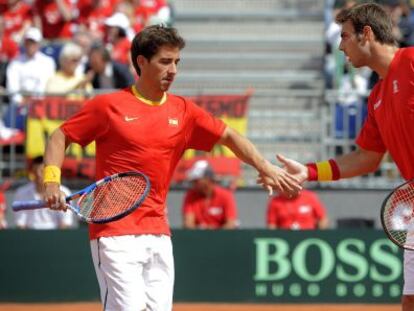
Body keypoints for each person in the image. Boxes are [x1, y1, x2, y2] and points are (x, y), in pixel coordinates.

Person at [42, 25, 300, 311]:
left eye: (177, 62)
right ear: (141, 62)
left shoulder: (184, 111)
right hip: (114, 231)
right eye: (165, 61)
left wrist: (265, 167)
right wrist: (51, 182)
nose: (173, 69)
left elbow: (229, 136)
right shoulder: (108, 106)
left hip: (158, 232)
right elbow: (59, 136)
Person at [259, 3, 414, 310]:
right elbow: (367, 158)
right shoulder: (377, 97)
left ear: (365, 34)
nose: (340, 45)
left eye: (344, 36)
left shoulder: (411, 61)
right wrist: (308, 171)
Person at [13, 156, 74, 230]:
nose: (38, 175)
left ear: (49, 174)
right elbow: (21, 225)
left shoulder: (65, 192)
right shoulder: (21, 192)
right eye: (35, 171)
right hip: (29, 237)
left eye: (42, 171)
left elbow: (65, 224)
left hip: (55, 236)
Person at [182, 160, 238, 229]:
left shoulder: (226, 195)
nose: (193, 184)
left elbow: (231, 224)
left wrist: (214, 234)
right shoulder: (190, 195)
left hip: (222, 238)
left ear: (208, 179)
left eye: (196, 180)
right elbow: (188, 224)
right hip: (197, 238)